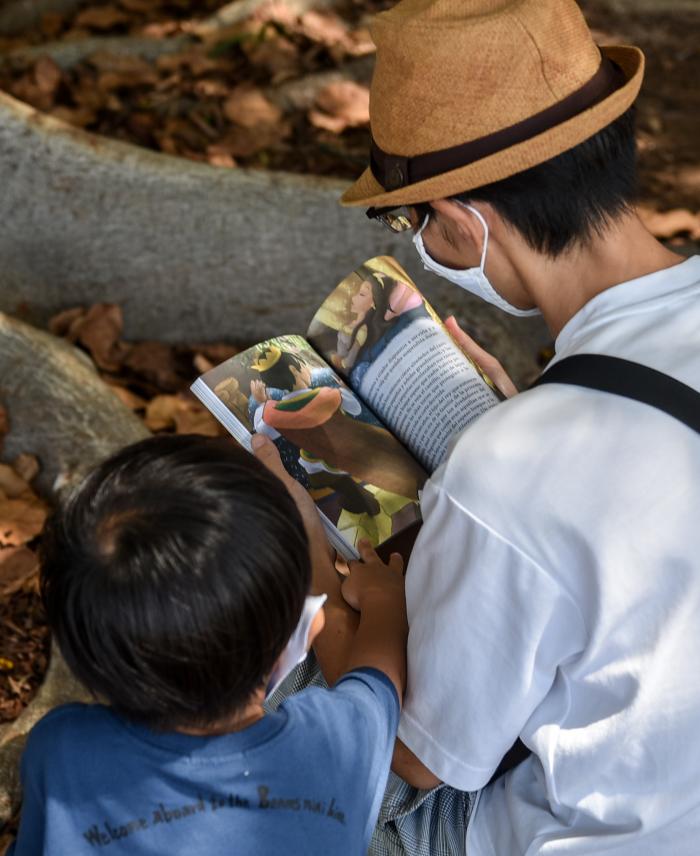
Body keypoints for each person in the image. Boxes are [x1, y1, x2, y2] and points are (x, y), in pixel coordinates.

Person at [280, 0, 700, 853]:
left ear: (468, 224)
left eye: (415, 220)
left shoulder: (510, 468)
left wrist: (319, 585)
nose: (421, 243)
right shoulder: (533, 445)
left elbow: (418, 755)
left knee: (273, 701)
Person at [9, 434, 407, 855]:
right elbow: (380, 672)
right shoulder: (337, 747)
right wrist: (384, 600)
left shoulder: (63, 751)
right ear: (296, 640)